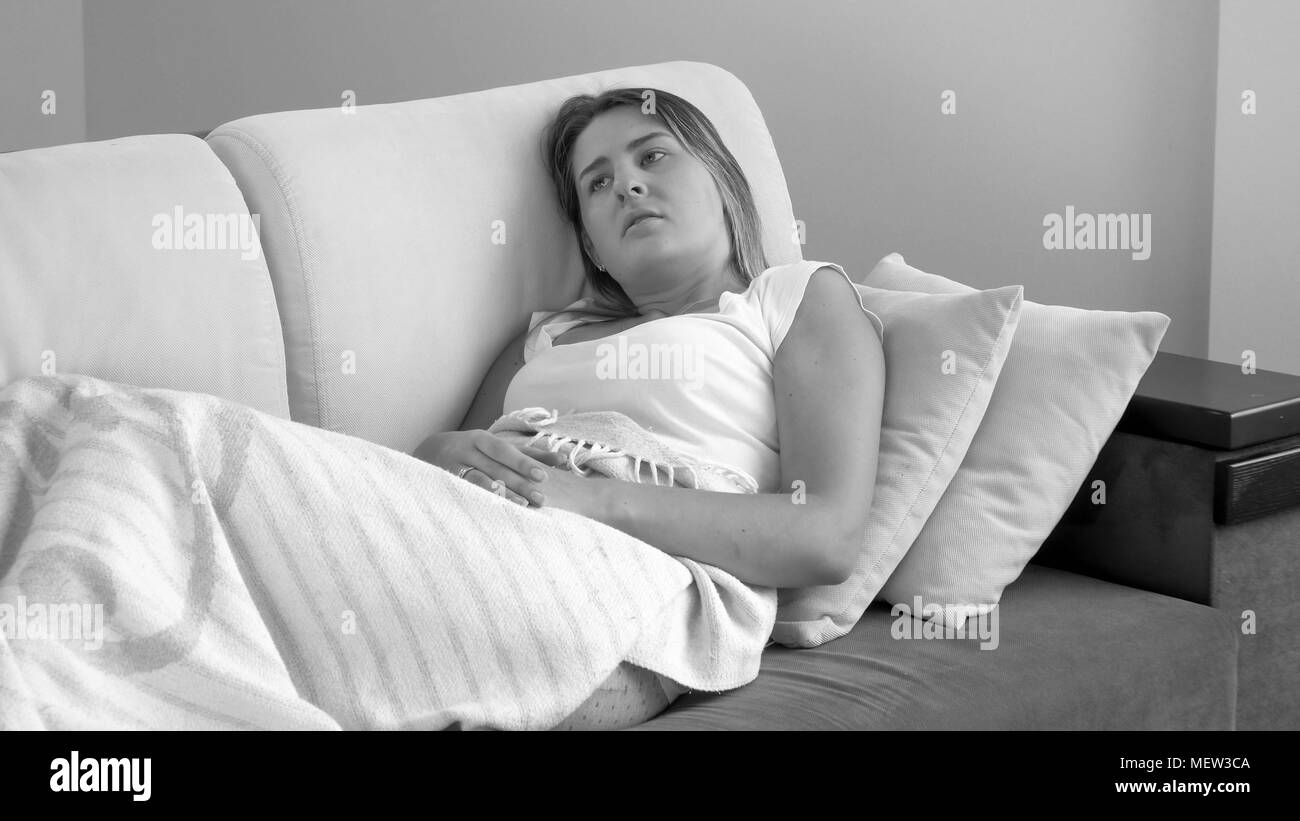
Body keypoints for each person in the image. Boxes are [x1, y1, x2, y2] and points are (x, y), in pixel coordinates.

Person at [414, 88, 885, 593]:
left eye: (652, 156)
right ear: (591, 246)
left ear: (721, 179)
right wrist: (432, 453)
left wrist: (584, 497)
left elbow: (824, 536)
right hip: (467, 538)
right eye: (597, 183)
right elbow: (440, 471)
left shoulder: (793, 297)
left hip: (617, 572)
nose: (626, 186)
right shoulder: (543, 339)